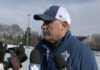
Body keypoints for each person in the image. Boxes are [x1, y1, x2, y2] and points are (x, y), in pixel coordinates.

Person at [30, 5, 98, 70]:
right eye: (43, 22)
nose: (43, 26)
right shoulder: (38, 49)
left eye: (48, 22)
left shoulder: (83, 54)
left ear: (63, 25)